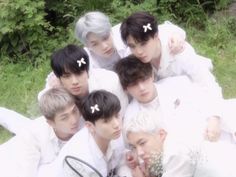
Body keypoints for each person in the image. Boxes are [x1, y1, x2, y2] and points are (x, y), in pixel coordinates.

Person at [115, 55, 235, 142]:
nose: (141, 88)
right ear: (126, 89)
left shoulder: (178, 83)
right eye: (134, 84)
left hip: (214, 132)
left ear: (151, 75)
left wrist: (215, 118)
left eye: (144, 79)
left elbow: (208, 100)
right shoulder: (132, 117)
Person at [120, 11, 222, 99]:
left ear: (156, 36)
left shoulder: (180, 52)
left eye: (143, 44)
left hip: (191, 92)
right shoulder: (131, 57)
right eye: (132, 46)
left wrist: (214, 117)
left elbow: (209, 85)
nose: (138, 51)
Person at [39, 90, 132, 177]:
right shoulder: (82, 159)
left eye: (116, 115)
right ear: (90, 126)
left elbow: (120, 160)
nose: (116, 124)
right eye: (106, 121)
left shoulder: (113, 133)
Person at [123, 110, 236, 177]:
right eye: (134, 147)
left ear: (161, 134)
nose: (139, 153)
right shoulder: (170, 144)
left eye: (142, 143)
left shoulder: (175, 151)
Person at [0, 88, 83, 177]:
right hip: (11, 164)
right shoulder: (33, 136)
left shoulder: (85, 122)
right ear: (51, 123)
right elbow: (28, 172)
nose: (74, 120)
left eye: (74, 111)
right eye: (64, 118)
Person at [74, 11, 185, 70]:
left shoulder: (122, 32)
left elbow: (154, 29)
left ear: (110, 31)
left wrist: (176, 35)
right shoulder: (84, 59)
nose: (104, 46)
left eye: (105, 38)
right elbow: (66, 68)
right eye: (95, 44)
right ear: (87, 45)